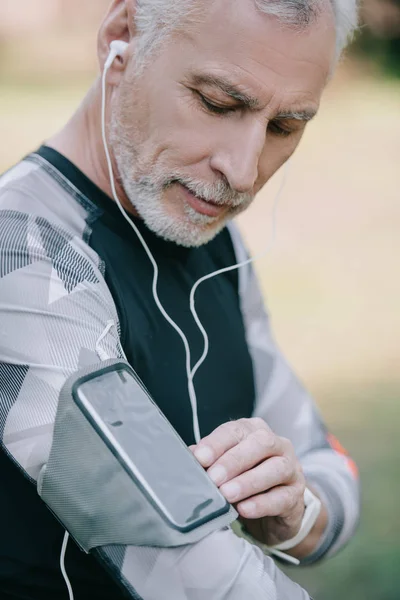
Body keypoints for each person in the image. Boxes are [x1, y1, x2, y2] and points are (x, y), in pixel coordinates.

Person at [0, 0, 360, 598]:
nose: (243, 172)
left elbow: (330, 471)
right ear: (122, 38)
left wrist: (294, 512)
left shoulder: (212, 238)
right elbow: (193, 573)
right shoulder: (19, 250)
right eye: (218, 103)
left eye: (284, 126)